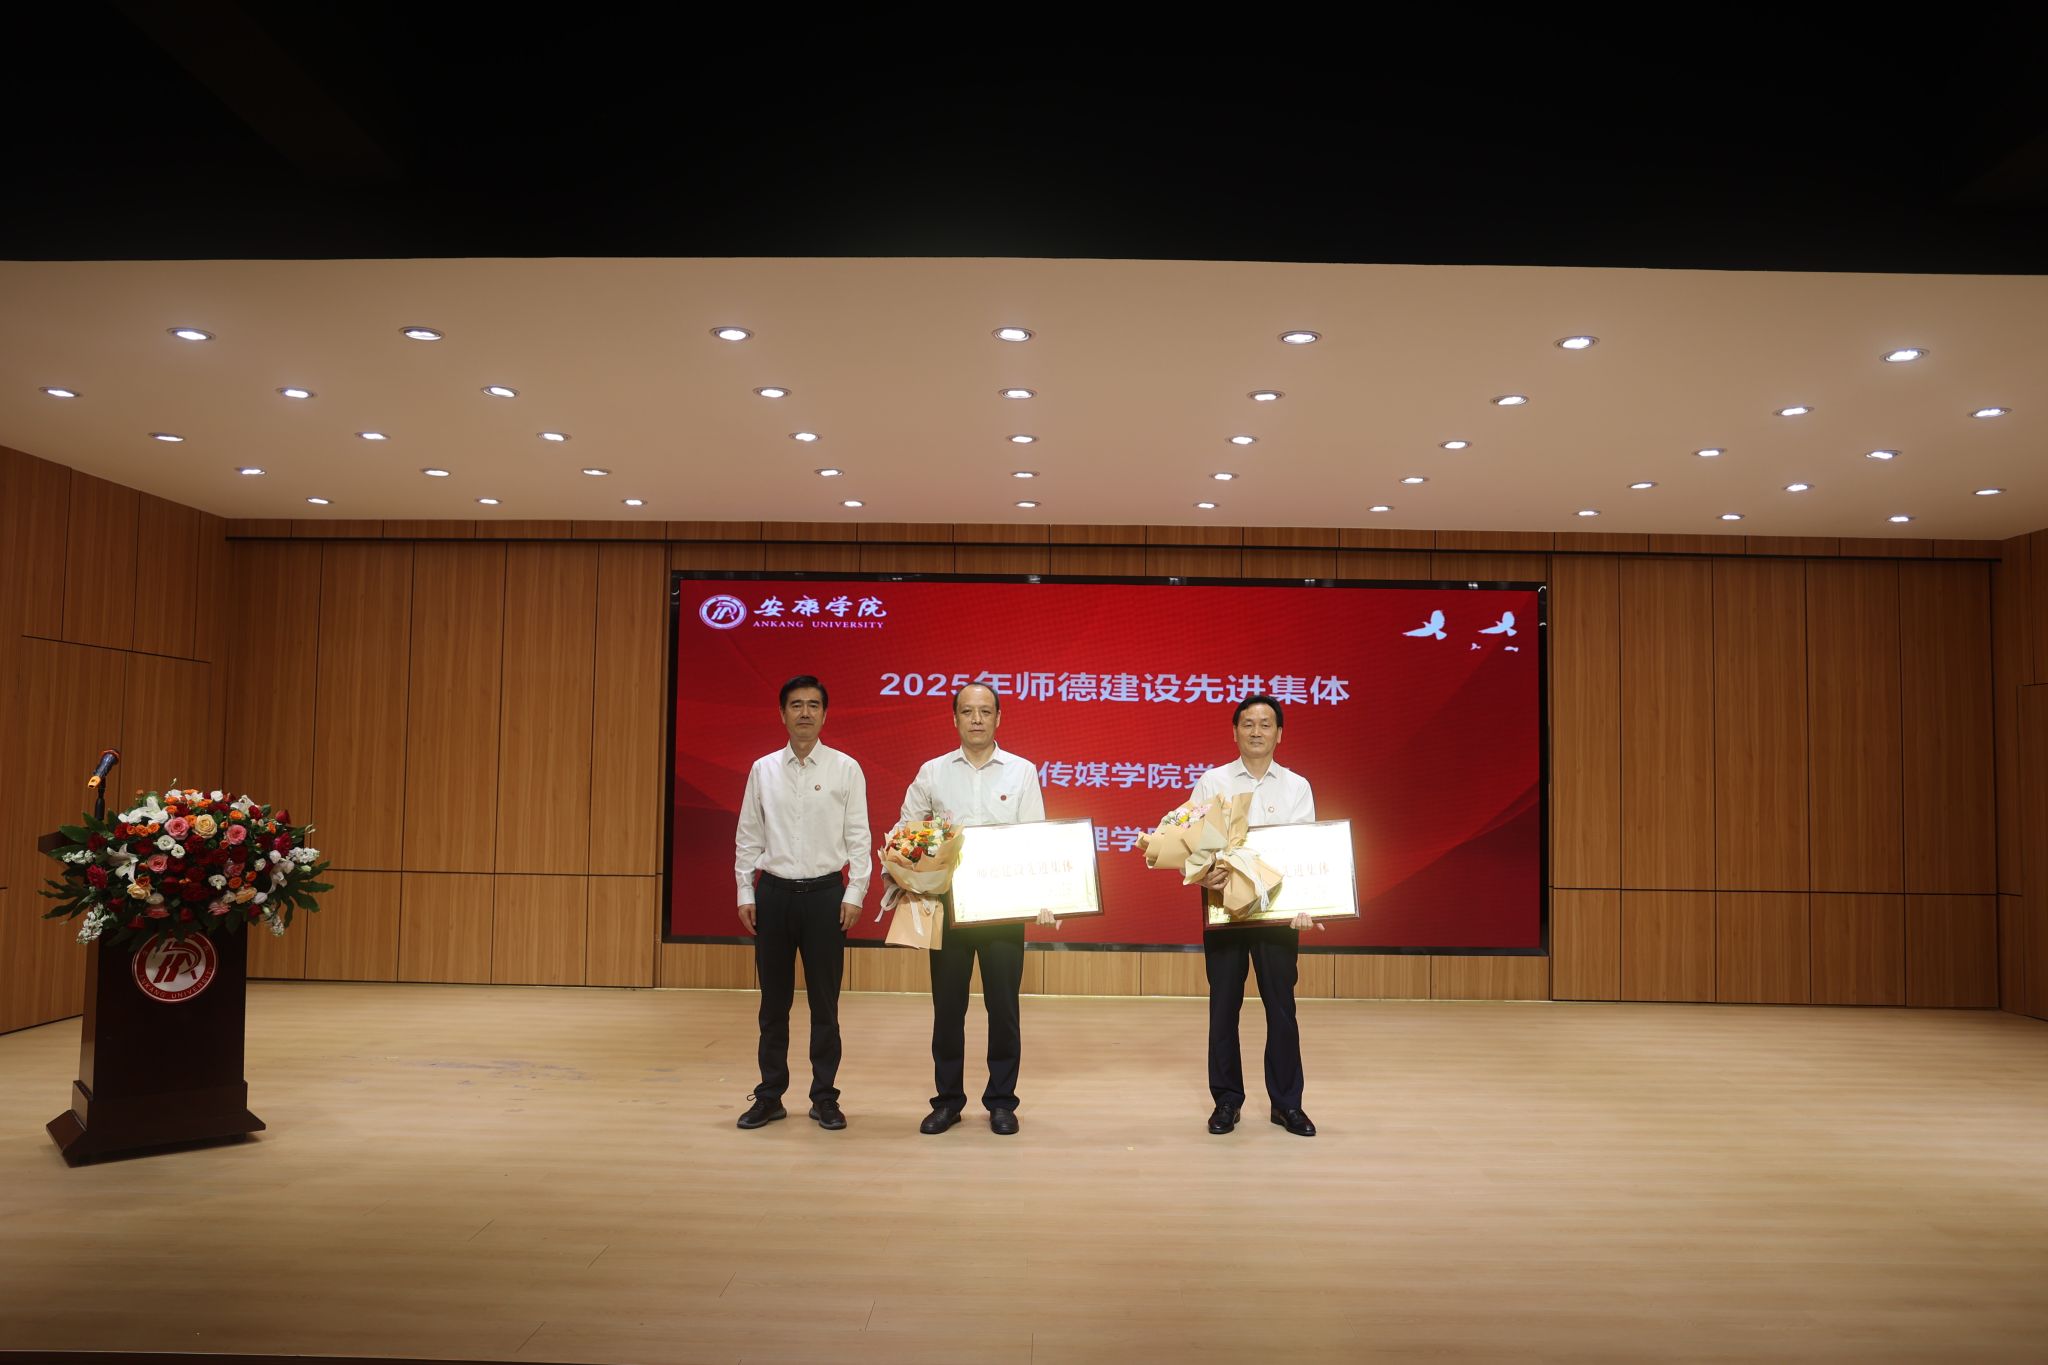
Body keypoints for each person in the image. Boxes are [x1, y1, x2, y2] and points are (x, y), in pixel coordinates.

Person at [894, 681, 1055, 1136]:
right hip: (949, 907)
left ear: (999, 718)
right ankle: (947, 1101)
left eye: (985, 711)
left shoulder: (1021, 772)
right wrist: (913, 868)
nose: (977, 719)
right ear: (955, 719)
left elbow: (1036, 838)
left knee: (1003, 1008)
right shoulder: (933, 772)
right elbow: (907, 831)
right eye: (968, 711)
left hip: (1005, 908)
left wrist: (1047, 897)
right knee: (948, 1009)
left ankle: (1002, 1102)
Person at [732, 675, 870, 1131]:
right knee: (773, 1006)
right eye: (796, 705)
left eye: (813, 704)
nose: (805, 712)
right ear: (782, 714)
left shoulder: (846, 768)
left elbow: (860, 838)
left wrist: (855, 892)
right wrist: (745, 891)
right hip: (773, 895)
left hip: (827, 898)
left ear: (825, 714)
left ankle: (824, 1097)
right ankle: (769, 1095)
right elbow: (748, 835)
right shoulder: (763, 769)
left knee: (825, 1007)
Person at [1189, 693, 1321, 1138]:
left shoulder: (1297, 787)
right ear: (1235, 732)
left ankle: (1287, 1104)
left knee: (1281, 1009)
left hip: (1277, 915)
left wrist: (1306, 906)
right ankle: (1227, 1100)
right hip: (1225, 911)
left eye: (1266, 724)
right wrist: (1204, 873)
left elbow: (1304, 854)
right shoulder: (1212, 782)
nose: (1257, 731)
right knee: (1223, 1008)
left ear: (1279, 734)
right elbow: (1192, 844)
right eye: (1248, 724)